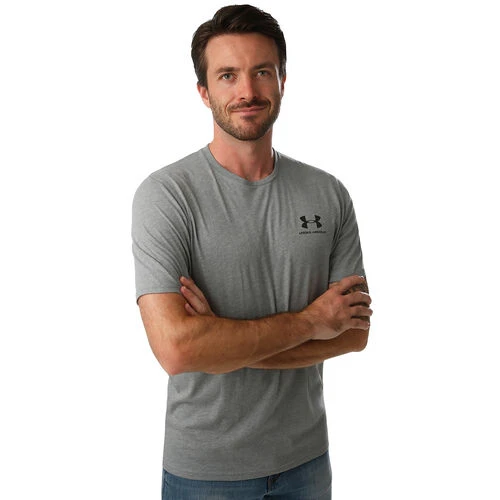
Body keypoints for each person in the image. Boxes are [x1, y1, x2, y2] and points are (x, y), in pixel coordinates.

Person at [132, 4, 372, 499]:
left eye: (262, 71)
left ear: (283, 80)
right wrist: (311, 322)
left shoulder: (328, 193)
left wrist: (220, 346)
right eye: (227, 75)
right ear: (204, 91)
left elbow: (354, 334)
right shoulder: (166, 195)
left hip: (307, 463)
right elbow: (176, 350)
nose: (247, 90)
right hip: (206, 473)